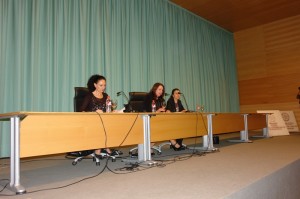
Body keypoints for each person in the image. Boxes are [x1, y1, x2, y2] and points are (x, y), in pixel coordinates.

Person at [80, 74, 121, 157]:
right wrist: (94, 112)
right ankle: (102, 150)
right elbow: (81, 111)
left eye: (104, 85)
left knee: (112, 125)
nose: (103, 87)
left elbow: (107, 110)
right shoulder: (89, 96)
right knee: (102, 127)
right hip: (91, 121)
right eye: (101, 85)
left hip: (103, 120)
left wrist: (112, 111)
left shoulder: (106, 96)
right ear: (95, 85)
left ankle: (102, 149)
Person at [143, 82, 166, 154]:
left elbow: (162, 110)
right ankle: (147, 147)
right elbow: (147, 111)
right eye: (159, 89)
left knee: (165, 126)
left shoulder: (160, 99)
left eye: (162, 90)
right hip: (148, 119)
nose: (161, 91)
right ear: (155, 89)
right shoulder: (148, 97)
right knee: (160, 129)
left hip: (157, 120)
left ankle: (148, 146)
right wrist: (157, 111)